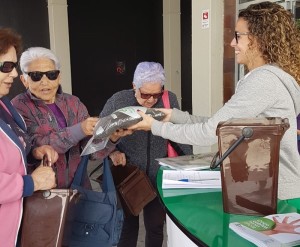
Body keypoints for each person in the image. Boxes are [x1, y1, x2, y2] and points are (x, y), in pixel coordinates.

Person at [129, 2, 300, 208]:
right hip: (274, 190)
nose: (231, 43)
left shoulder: (262, 81)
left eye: (238, 35)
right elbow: (222, 125)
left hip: (277, 195)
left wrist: (154, 126)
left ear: (259, 40)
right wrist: (172, 115)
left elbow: (212, 131)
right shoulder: (268, 78)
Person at [100, 61, 193, 247]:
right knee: (127, 227)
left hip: (158, 174)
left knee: (156, 227)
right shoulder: (119, 101)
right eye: (145, 94)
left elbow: (179, 133)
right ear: (134, 86)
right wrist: (113, 151)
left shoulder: (169, 100)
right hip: (128, 175)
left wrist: (189, 161)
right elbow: (99, 134)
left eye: (156, 94)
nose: (151, 100)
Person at [11, 47, 131, 189]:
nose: (45, 82)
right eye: (36, 76)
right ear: (24, 80)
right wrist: (80, 129)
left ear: (59, 76)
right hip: (43, 196)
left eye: (51, 74)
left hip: (80, 189)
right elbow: (36, 146)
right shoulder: (18, 107)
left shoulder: (73, 103)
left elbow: (92, 153)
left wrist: (111, 138)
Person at [0, 28, 59, 246]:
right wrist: (29, 183)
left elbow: (16, 145)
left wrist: (34, 152)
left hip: (18, 224)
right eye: (6, 67)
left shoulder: (4, 104)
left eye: (14, 66)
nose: (14, 74)